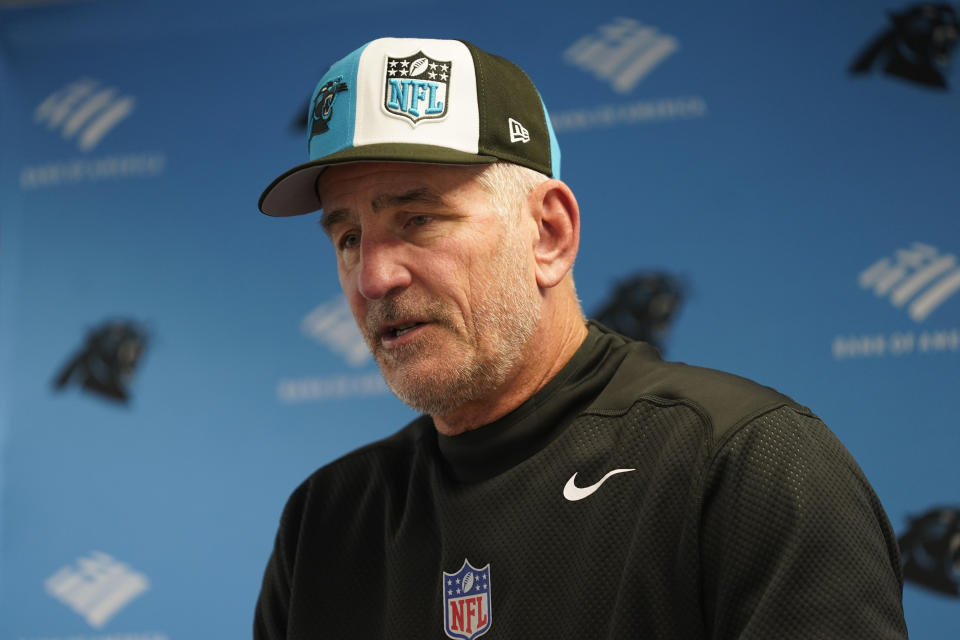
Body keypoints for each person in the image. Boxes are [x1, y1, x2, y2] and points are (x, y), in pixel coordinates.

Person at [255, 37, 909, 639]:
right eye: (347, 237)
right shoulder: (327, 521)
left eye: (419, 218)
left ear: (549, 235)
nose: (373, 275)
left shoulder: (744, 464)